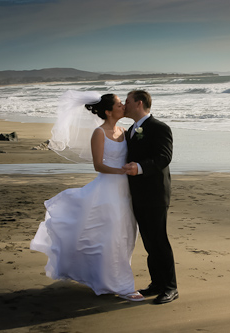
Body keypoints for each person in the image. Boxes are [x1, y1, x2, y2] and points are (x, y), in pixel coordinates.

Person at [30, 91, 145, 301]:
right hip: (108, 190)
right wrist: (121, 171)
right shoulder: (99, 133)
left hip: (125, 191)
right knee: (113, 237)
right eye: (119, 104)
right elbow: (98, 165)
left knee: (126, 235)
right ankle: (122, 286)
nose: (123, 106)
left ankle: (108, 279)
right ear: (109, 111)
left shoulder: (124, 131)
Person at [123, 90, 178, 304]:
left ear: (138, 103)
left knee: (159, 240)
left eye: (127, 101)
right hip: (138, 194)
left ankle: (170, 287)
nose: (124, 105)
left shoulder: (159, 128)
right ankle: (156, 283)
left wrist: (139, 167)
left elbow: (164, 157)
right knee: (148, 241)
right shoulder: (131, 130)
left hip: (155, 193)